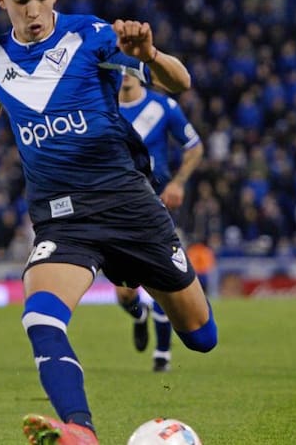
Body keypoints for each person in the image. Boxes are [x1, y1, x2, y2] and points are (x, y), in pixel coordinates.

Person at [0, 0, 217, 445]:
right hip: (63, 220)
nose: (33, 11)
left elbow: (181, 83)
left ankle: (144, 292)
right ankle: (80, 429)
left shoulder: (91, 35)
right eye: (20, 0)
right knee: (40, 316)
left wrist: (150, 56)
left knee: (202, 336)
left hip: (129, 206)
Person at [115, 68, 204, 372]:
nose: (125, 74)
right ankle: (138, 315)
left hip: (157, 203)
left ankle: (162, 354)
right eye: (119, 68)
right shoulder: (103, 106)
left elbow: (194, 146)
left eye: (130, 67)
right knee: (125, 293)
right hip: (117, 206)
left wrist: (178, 182)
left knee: (161, 276)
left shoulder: (163, 106)